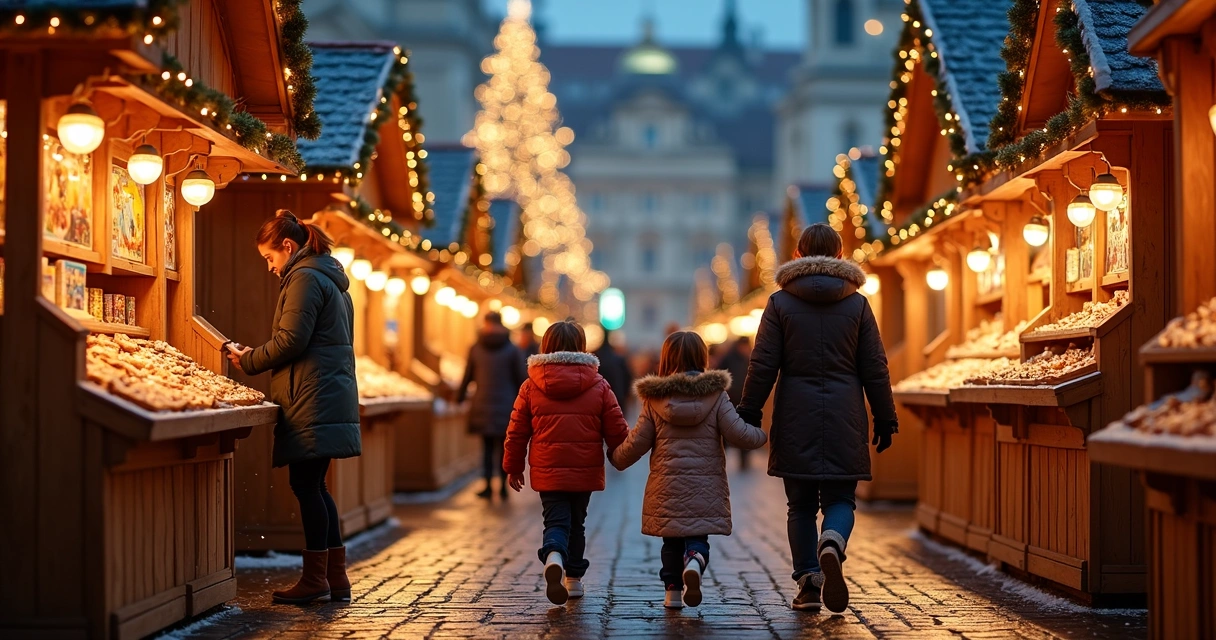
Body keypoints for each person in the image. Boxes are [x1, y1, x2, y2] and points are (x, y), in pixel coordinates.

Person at [736, 223, 897, 615]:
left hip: (795, 415)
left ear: (798, 254)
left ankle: (808, 585)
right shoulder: (857, 304)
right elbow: (875, 366)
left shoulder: (779, 303)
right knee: (841, 498)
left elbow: (763, 364)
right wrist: (885, 416)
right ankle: (833, 542)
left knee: (801, 506)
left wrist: (750, 410)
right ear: (840, 255)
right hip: (845, 414)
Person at [227, 210, 361, 605]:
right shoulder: (327, 277)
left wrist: (249, 359)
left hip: (312, 395)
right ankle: (334, 579)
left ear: (288, 246)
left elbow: (291, 341)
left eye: (270, 258)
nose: (270, 268)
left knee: (306, 486)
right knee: (315, 486)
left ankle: (317, 580)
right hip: (322, 391)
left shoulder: (303, 278)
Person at [611, 331, 766, 610]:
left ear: (666, 358)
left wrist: (617, 457)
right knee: (697, 535)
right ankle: (695, 559)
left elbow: (638, 441)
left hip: (666, 486)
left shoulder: (654, 399)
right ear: (701, 357)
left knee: (671, 542)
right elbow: (738, 433)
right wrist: (764, 437)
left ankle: (672, 593)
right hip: (705, 486)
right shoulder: (716, 395)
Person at [502, 321, 630, 605]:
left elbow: (516, 431)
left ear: (545, 346)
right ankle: (573, 580)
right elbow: (617, 429)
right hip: (585, 469)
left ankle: (554, 555)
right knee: (578, 522)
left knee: (555, 519)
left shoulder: (530, 385)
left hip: (547, 468)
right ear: (581, 347)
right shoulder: (599, 384)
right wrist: (622, 455)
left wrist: (512, 466)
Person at [458, 311, 527, 500]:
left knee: (486, 447)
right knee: (504, 447)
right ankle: (503, 486)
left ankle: (488, 485)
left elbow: (467, 375)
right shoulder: (512, 349)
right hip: (506, 405)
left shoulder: (475, 348)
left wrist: (460, 397)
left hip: (482, 403)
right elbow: (520, 378)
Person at [714, 336, 754, 469]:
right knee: (727, 431)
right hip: (730, 400)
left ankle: (744, 462)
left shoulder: (748, 359)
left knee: (743, 431)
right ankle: (721, 458)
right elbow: (719, 375)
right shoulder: (729, 358)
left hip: (744, 400)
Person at [594, 328, 633, 414]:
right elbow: (628, 378)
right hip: (617, 397)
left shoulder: (595, 358)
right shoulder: (619, 359)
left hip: (598, 399)